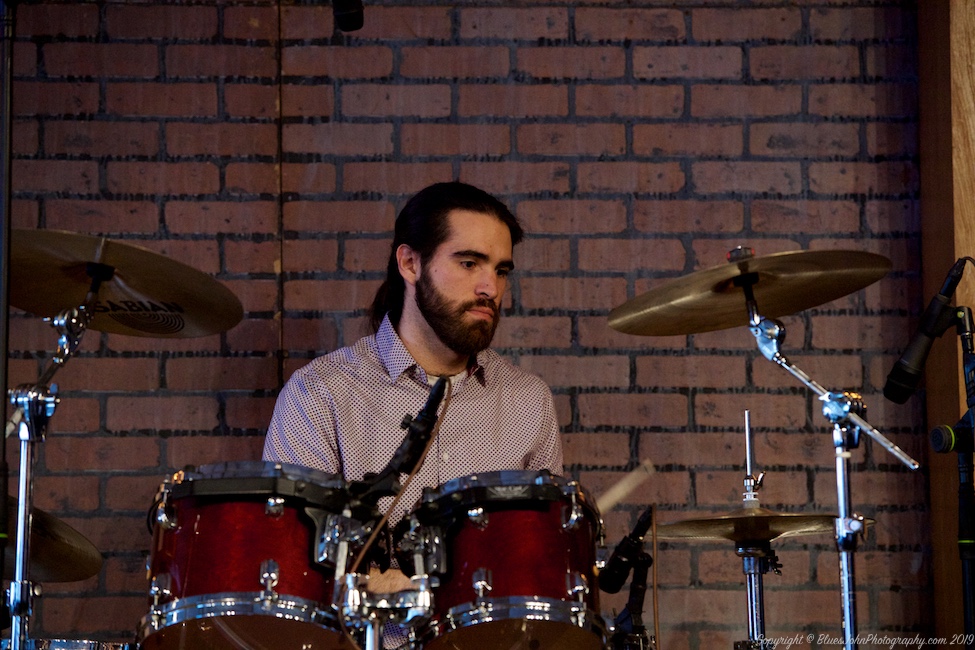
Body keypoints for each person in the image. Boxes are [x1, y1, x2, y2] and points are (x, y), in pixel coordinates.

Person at [262, 181, 564, 598]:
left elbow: (541, 563)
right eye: (469, 263)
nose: (490, 288)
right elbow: (292, 576)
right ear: (410, 263)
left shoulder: (528, 401)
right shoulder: (321, 395)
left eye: (501, 270)